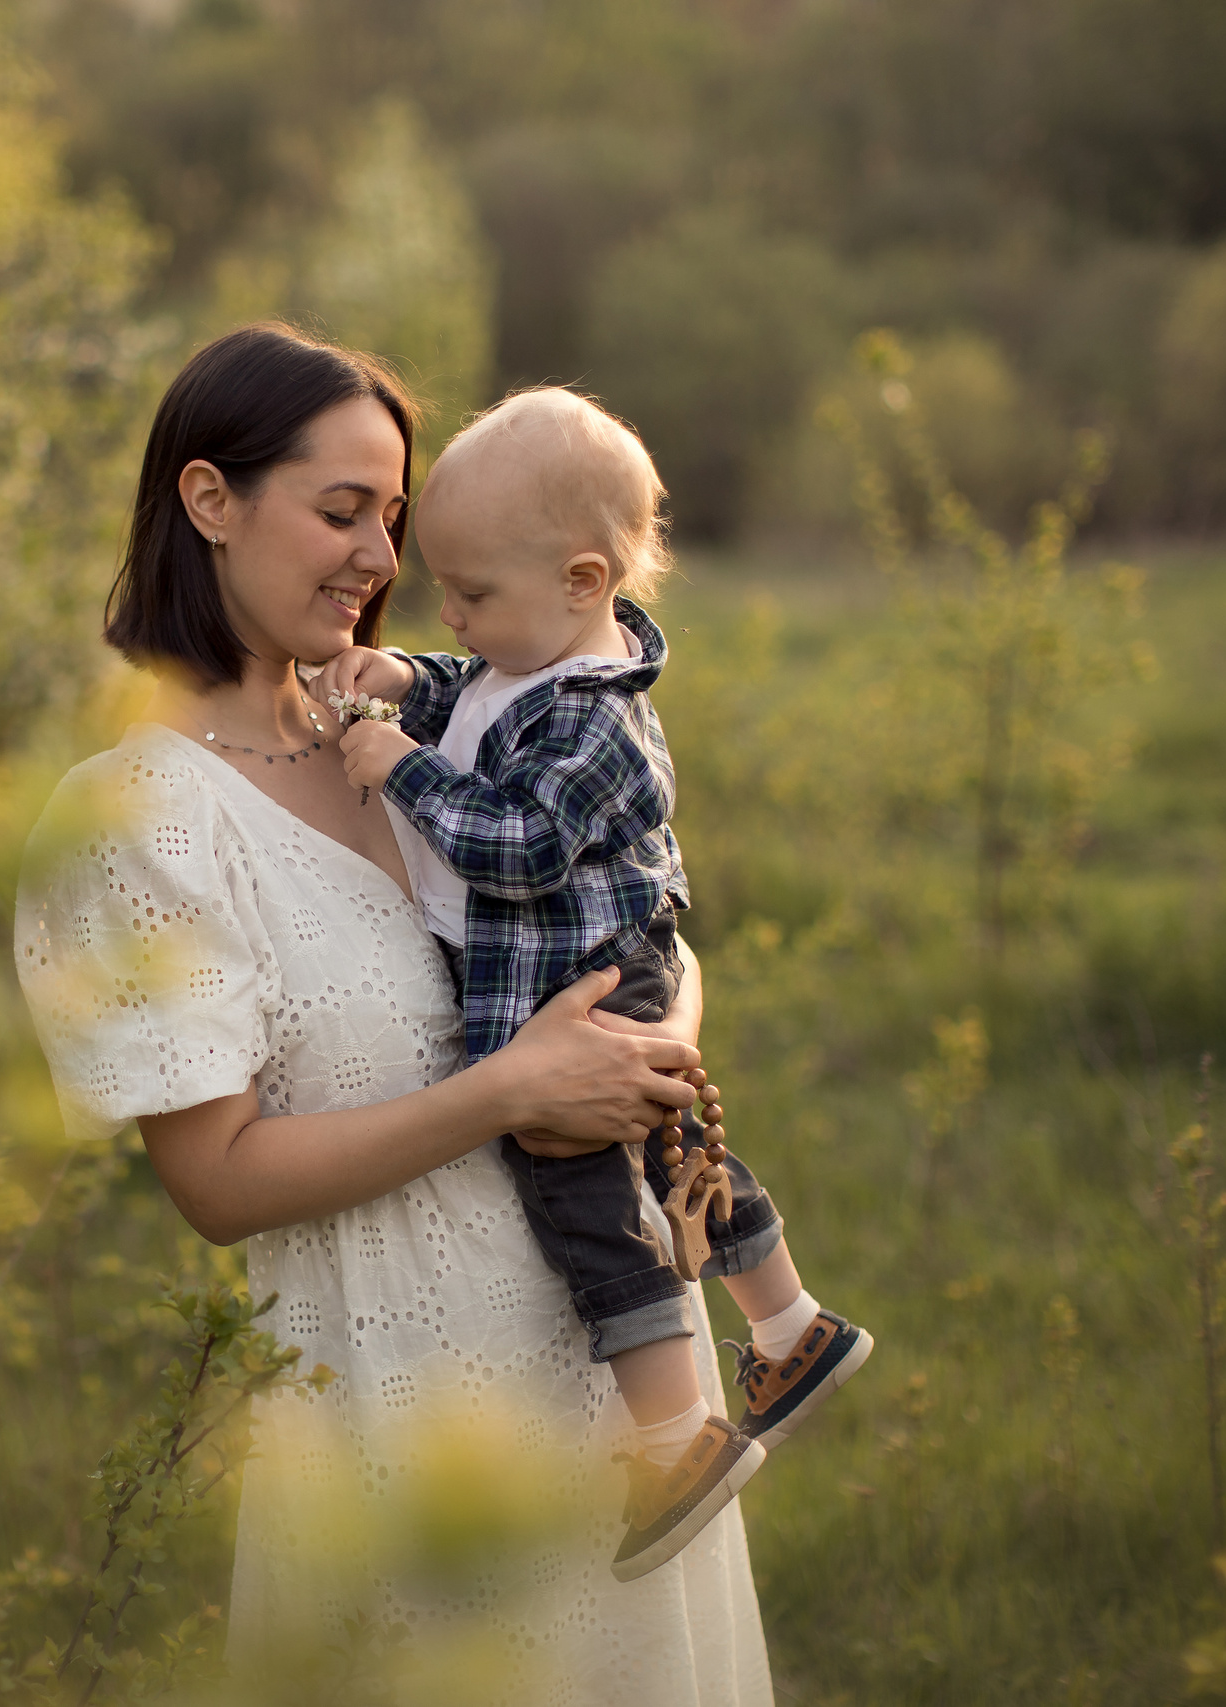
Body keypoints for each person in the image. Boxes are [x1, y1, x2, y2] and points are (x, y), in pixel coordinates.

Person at [16, 324, 774, 1701]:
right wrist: (511, 1089)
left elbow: (639, 929)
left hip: (631, 1405)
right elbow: (219, 1181)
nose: (381, 555)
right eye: (340, 509)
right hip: (398, 1421)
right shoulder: (136, 814)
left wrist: (654, 1034)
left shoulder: (442, 731)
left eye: (397, 515)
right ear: (209, 501)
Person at [319, 387, 872, 1582]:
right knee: (678, 1151)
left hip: (588, 978)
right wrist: (404, 678)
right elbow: (474, 689)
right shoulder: (532, 660)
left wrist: (397, 766)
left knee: (583, 1192)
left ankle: (677, 1437)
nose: (449, 617)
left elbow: (512, 843)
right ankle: (788, 1326)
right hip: (604, 969)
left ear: (581, 580)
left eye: (471, 595)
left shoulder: (598, 728)